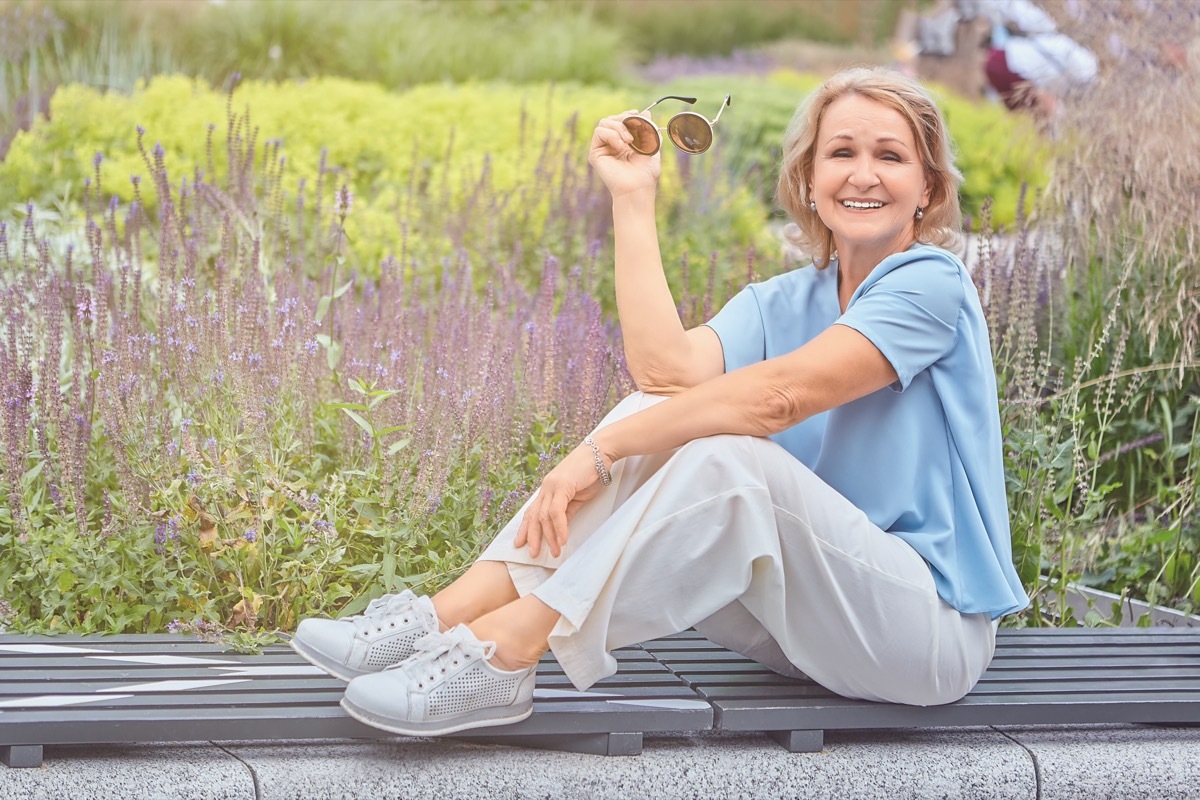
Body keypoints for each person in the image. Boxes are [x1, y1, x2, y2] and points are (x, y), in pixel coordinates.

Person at [289, 67, 1030, 738]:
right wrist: (633, 198)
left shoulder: (930, 282)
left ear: (928, 188)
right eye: (841, 153)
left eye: (890, 156)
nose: (862, 174)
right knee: (660, 410)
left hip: (922, 635)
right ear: (807, 179)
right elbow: (663, 371)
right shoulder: (784, 300)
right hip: (805, 628)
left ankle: (504, 649)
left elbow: (777, 399)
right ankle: (440, 617)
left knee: (725, 455)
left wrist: (598, 454)